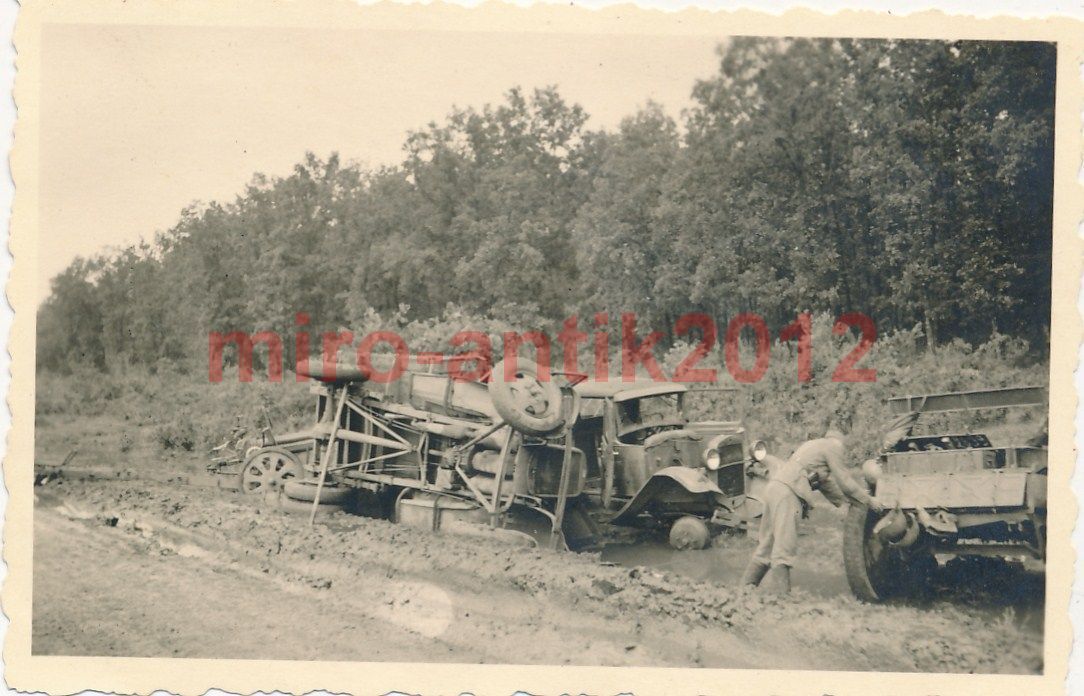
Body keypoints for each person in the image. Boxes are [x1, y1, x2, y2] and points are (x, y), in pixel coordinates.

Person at [739, 428, 885, 594]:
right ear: (840, 441)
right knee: (784, 547)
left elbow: (824, 483)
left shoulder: (812, 446)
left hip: (775, 488)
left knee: (767, 545)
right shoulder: (833, 447)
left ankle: (744, 591)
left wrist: (846, 503)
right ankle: (781, 598)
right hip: (788, 492)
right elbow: (844, 481)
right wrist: (869, 500)